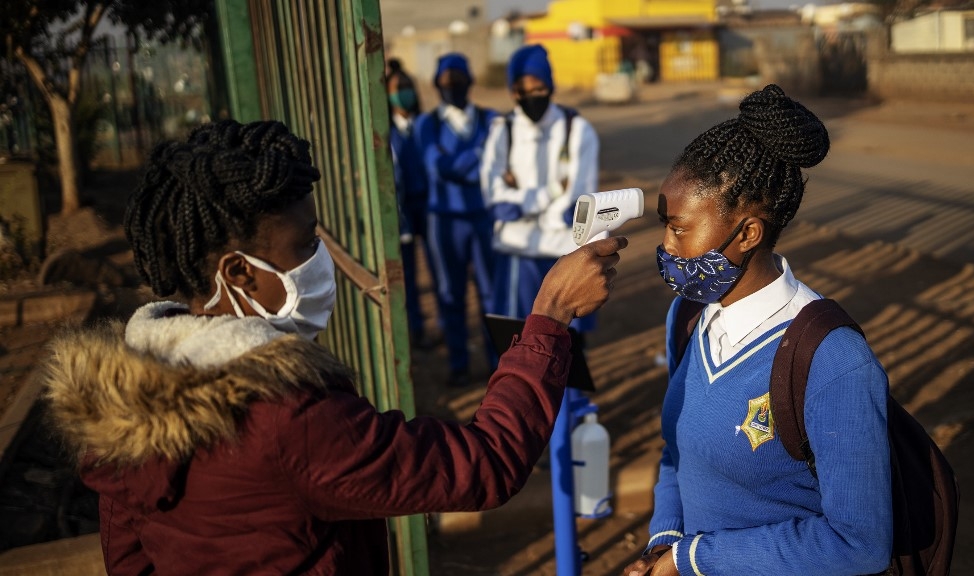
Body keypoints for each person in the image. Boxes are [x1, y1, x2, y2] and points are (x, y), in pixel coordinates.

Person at [41, 120, 627, 575]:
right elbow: (485, 464)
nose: (319, 258)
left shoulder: (121, 396)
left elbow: (128, 560)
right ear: (238, 273)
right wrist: (550, 315)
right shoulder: (283, 419)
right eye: (304, 243)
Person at [623, 85, 892, 576]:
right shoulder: (688, 316)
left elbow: (859, 545)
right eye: (664, 225)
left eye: (679, 228)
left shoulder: (834, 360)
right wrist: (664, 543)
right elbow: (678, 452)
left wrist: (693, 559)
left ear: (748, 233)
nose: (666, 246)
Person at [481, 44, 600, 335]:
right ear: (513, 92)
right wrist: (552, 190)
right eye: (522, 91)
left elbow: (577, 202)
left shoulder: (576, 130)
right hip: (517, 252)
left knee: (566, 340)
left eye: (538, 89)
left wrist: (522, 202)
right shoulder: (503, 131)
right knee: (515, 336)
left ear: (550, 86)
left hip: (563, 252)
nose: (531, 97)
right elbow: (496, 200)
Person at [414, 53, 499, 387]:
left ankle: (497, 363)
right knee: (450, 294)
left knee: (491, 294)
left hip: (484, 219)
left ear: (470, 81)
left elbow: (496, 166)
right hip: (445, 222)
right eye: (446, 81)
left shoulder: (491, 119)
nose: (452, 86)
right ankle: (459, 364)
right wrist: (479, 156)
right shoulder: (427, 124)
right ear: (436, 85)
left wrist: (459, 165)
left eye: (458, 79)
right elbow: (438, 168)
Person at [386, 57, 436, 349]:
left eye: (407, 87)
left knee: (439, 271)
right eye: (397, 89)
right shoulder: (385, 133)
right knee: (408, 278)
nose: (404, 93)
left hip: (429, 209)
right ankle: (415, 331)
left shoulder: (425, 125)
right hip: (402, 213)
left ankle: (444, 327)